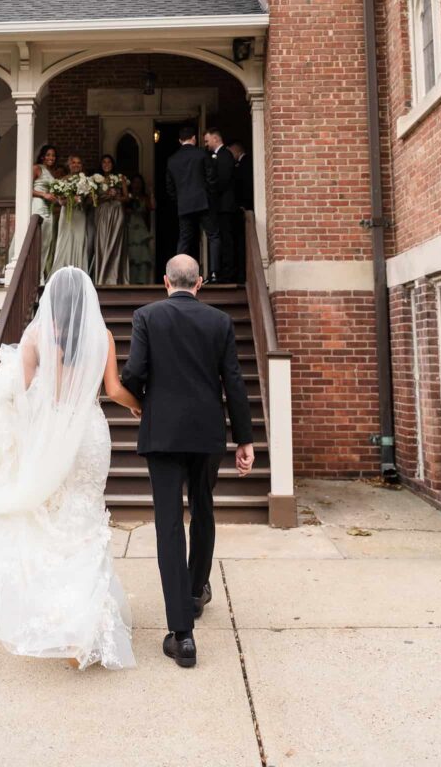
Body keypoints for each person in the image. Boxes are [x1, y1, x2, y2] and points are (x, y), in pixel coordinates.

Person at [0, 267, 138, 670]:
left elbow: (22, 394)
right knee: (89, 521)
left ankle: (65, 620)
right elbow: (113, 390)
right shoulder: (103, 337)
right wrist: (139, 404)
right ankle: (88, 627)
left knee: (56, 522)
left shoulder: (35, 337)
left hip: (55, 436)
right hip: (92, 435)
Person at [121, 254, 254, 669]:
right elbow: (233, 380)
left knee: (168, 526)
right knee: (203, 511)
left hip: (162, 434)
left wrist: (141, 404)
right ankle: (196, 592)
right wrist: (245, 439)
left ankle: (182, 635)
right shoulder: (219, 322)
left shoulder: (147, 316)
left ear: (166, 282)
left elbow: (135, 372)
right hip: (207, 433)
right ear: (199, 284)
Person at [166, 124, 220, 283]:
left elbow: (169, 187)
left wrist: (180, 200)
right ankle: (214, 273)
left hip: (184, 205)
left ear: (179, 140)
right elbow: (211, 178)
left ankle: (176, 277)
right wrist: (209, 198)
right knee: (213, 236)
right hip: (203, 202)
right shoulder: (202, 154)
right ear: (194, 138)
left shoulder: (172, 160)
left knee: (184, 240)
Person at [203, 128, 236, 284]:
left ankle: (228, 274)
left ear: (215, 139)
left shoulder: (225, 155)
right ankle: (221, 272)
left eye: (207, 140)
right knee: (222, 238)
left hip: (225, 205)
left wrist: (211, 193)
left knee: (226, 240)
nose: (206, 144)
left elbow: (223, 179)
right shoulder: (217, 155)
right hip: (220, 206)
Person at [50, 154, 89, 274]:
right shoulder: (63, 180)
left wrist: (84, 200)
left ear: (81, 166)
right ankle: (61, 271)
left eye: (79, 163)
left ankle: (79, 271)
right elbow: (61, 201)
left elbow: (89, 201)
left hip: (79, 214)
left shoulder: (86, 181)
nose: (76, 165)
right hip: (66, 213)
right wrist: (73, 200)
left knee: (79, 239)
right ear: (69, 165)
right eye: (73, 163)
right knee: (64, 239)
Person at [94, 154, 129, 285]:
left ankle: (115, 278)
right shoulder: (95, 180)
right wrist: (105, 196)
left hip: (116, 211)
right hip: (102, 212)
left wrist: (116, 197)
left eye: (109, 162)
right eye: (104, 162)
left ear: (113, 164)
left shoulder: (120, 178)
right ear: (101, 165)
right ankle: (102, 277)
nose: (106, 164)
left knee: (115, 243)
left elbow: (126, 198)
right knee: (102, 243)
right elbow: (93, 200)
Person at [30, 144, 59, 281]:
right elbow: (26, 188)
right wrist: (43, 195)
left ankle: (39, 275)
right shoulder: (37, 168)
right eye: (48, 155)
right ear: (42, 156)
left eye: (53, 155)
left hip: (49, 208)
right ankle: (32, 273)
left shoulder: (52, 173)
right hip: (38, 206)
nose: (51, 158)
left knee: (46, 242)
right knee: (37, 240)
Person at [228, 140, 254, 284]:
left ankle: (242, 275)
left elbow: (247, 185)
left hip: (245, 208)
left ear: (237, 151)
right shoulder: (244, 163)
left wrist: (244, 205)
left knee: (241, 244)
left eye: (231, 153)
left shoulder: (246, 163)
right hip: (243, 207)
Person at [126, 174, 154, 285]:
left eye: (139, 183)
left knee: (142, 256)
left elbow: (152, 207)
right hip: (130, 228)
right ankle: (130, 281)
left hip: (141, 230)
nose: (136, 185)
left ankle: (143, 281)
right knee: (131, 256)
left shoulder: (145, 198)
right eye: (134, 182)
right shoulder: (127, 197)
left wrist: (151, 194)